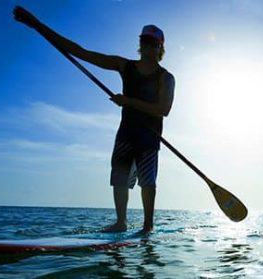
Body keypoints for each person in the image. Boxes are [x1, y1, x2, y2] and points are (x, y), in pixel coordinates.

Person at [14, 7, 175, 234]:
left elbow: (163, 109)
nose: (147, 46)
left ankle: (147, 225)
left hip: (149, 137)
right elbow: (82, 52)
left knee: (147, 182)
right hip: (126, 134)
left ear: (160, 47)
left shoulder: (166, 78)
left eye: (152, 42)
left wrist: (128, 101)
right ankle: (121, 223)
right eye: (144, 41)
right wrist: (37, 25)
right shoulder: (124, 65)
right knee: (119, 178)